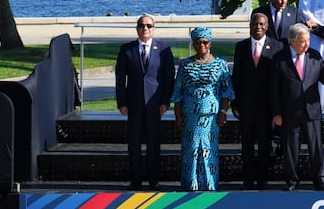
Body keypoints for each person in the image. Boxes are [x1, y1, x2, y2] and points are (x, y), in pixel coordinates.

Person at [272, 23, 324, 191]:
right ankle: (292, 181)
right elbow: (273, 89)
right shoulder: (279, 59)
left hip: (311, 110)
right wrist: (276, 113)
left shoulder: (314, 56)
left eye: (308, 40)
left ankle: (320, 180)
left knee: (316, 147)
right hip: (289, 111)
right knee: (290, 148)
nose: (306, 44)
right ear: (292, 42)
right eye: (302, 41)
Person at [115, 14, 174, 189]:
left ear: (154, 28)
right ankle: (135, 180)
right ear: (137, 28)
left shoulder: (163, 49)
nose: (145, 28)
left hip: (155, 105)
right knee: (134, 142)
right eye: (142, 25)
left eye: (149, 25)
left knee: (153, 142)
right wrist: (121, 102)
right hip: (133, 104)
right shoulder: (127, 50)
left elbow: (168, 78)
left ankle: (153, 180)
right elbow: (120, 79)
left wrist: (165, 101)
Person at [171, 27, 233, 191]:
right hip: (190, 115)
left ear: (210, 43)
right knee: (191, 150)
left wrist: (223, 112)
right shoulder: (185, 64)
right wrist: (177, 116)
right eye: (198, 42)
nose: (202, 45)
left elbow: (227, 91)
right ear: (194, 43)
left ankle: (209, 184)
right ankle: (190, 184)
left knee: (208, 150)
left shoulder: (220, 64)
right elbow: (178, 91)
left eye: (205, 42)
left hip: (211, 116)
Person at [231, 12, 283, 189]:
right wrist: (235, 102)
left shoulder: (277, 47)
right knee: (246, 144)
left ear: (267, 26)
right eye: (255, 24)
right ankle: (247, 180)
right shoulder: (242, 47)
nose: (258, 28)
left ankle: (262, 180)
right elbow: (236, 76)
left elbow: (279, 80)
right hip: (246, 106)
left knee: (264, 144)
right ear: (250, 26)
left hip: (267, 106)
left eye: (262, 24)